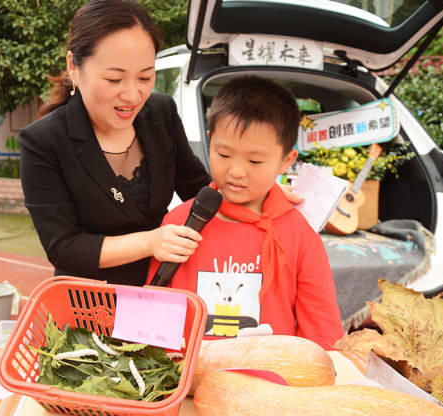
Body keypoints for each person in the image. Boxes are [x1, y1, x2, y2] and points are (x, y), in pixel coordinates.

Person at [20, 0, 301, 286]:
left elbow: (198, 188)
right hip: (91, 305)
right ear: (73, 66)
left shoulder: (160, 112)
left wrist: (261, 194)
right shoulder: (43, 141)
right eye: (114, 79)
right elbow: (65, 248)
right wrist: (150, 242)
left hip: (166, 289)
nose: (132, 95)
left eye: (145, 76)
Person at [147, 76, 344, 349]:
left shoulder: (298, 233)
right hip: (189, 381)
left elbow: (322, 331)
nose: (236, 171)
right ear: (209, 141)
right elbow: (153, 314)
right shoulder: (180, 223)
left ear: (287, 160)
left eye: (255, 161)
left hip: (274, 384)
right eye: (224, 155)